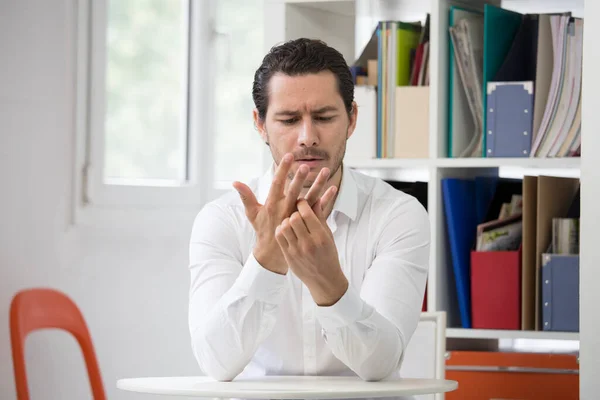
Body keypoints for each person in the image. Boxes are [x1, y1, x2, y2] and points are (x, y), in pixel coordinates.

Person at [188, 38, 430, 383]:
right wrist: (267, 262)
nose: (307, 137)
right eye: (288, 120)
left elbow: (379, 365)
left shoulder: (398, 215)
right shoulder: (221, 220)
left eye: (324, 117)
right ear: (260, 125)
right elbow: (215, 361)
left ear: (351, 118)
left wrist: (329, 284)